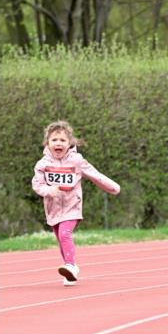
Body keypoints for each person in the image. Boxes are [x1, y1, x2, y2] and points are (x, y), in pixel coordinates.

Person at [32, 120, 120, 285]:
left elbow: (95, 174)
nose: (58, 143)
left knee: (65, 234)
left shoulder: (77, 161)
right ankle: (70, 272)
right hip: (52, 208)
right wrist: (47, 191)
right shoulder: (42, 165)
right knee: (61, 239)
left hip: (72, 206)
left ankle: (71, 266)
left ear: (69, 143)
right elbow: (37, 184)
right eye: (54, 140)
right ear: (47, 143)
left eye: (63, 140)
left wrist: (113, 187)